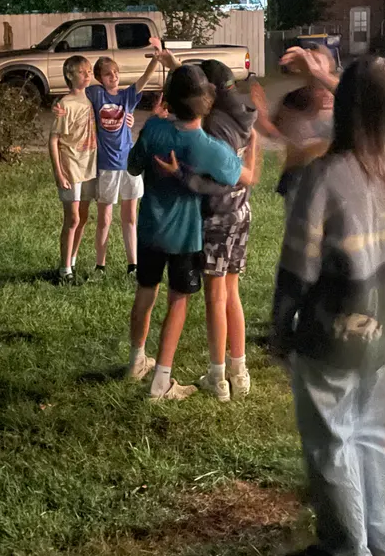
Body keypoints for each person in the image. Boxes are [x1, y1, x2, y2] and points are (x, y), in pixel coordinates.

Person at [270, 56, 385, 556]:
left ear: (344, 106)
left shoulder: (326, 175)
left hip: (333, 332)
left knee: (331, 441)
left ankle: (348, 554)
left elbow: (298, 263)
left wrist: (281, 326)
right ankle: (384, 545)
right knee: (370, 437)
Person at [125, 64, 243, 400]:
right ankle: (161, 381)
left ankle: (136, 360)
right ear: (206, 101)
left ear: (169, 99)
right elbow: (234, 173)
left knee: (145, 291)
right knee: (178, 301)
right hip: (184, 236)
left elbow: (133, 166)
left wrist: (153, 124)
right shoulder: (206, 145)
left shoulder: (154, 129)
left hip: (149, 228)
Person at [153, 60, 261, 401]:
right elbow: (249, 161)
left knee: (216, 297)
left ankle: (218, 376)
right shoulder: (241, 115)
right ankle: (239, 372)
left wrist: (181, 175)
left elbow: (214, 180)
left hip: (217, 217)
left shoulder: (213, 126)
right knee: (232, 292)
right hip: (241, 212)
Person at [84, 40, 178, 275]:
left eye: (116, 73)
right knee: (105, 219)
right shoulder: (96, 95)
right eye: (108, 74)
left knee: (130, 217)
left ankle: (132, 265)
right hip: (107, 166)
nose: (113, 77)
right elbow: (77, 95)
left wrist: (155, 60)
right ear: (99, 78)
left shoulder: (126, 97)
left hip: (130, 164)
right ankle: (100, 265)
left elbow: (144, 80)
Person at [251, 45, 337, 212]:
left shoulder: (341, 97)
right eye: (311, 61)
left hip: (333, 184)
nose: (312, 65)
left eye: (317, 61)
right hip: (300, 182)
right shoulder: (296, 99)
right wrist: (263, 120)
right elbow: (285, 139)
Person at [49, 55, 98, 283]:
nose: (87, 75)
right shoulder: (64, 105)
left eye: (89, 71)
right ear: (70, 75)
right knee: (73, 218)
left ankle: (73, 260)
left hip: (89, 166)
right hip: (71, 167)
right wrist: (59, 173)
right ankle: (64, 269)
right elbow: (53, 140)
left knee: (83, 216)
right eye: (81, 72)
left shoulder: (92, 97)